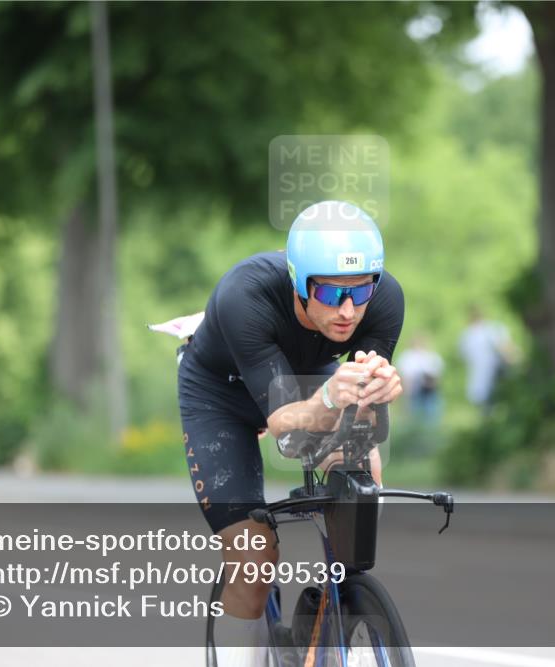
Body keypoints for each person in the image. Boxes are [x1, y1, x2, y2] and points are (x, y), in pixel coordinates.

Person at [176, 200, 405, 666]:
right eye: (330, 294)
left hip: (303, 377)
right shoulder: (247, 294)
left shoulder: (385, 301)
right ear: (299, 282)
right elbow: (282, 425)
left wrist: (376, 395)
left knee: (363, 479)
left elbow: (360, 418)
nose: (347, 311)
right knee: (255, 560)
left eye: (360, 293)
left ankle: (331, 611)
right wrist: (328, 400)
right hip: (221, 396)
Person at [458, 305, 515, 411]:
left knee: (488, 395)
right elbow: (502, 346)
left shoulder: (471, 334)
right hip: (488, 369)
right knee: (490, 396)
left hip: (489, 370)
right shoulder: (478, 332)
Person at [396, 334, 444, 423]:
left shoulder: (431, 356)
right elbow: (403, 375)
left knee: (431, 415)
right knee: (413, 416)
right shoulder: (407, 357)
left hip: (429, 391)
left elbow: (436, 375)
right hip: (413, 390)